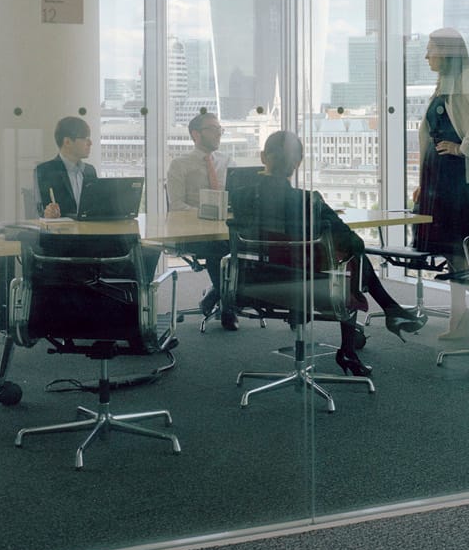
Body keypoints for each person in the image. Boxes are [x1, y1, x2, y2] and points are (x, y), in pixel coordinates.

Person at [229, 130, 423, 377]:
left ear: (263, 157)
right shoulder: (309, 201)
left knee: (349, 263)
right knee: (352, 262)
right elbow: (355, 243)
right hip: (310, 286)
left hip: (257, 283)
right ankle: (357, 341)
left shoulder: (240, 197)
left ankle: (387, 314)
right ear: (298, 162)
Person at [413, 28, 469, 340]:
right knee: (451, 251)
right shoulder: (444, 83)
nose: (426, 56)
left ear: (446, 51)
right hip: (436, 176)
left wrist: (463, 148)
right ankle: (461, 317)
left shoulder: (466, 77)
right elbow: (430, 135)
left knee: (456, 249)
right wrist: (422, 182)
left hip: (453, 177)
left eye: (431, 49)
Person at [165, 111, 233, 326]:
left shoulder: (227, 161)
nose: (218, 133)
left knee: (242, 243)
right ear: (196, 134)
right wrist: (206, 214)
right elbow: (176, 205)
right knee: (220, 247)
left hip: (226, 228)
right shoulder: (180, 164)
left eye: (219, 129)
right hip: (194, 232)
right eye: (212, 129)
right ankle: (228, 303)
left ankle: (218, 293)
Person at [31, 116, 98, 218]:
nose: (90, 143)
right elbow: (39, 211)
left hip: (88, 228)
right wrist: (48, 213)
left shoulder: (90, 171)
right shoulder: (45, 171)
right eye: (85, 139)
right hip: (60, 228)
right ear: (67, 142)